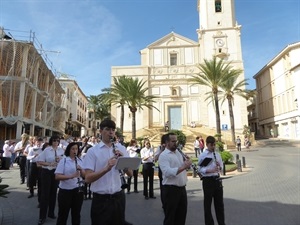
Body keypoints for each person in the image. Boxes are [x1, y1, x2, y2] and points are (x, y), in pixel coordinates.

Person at [82, 119, 133, 225]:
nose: (111, 132)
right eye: (107, 129)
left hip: (118, 198)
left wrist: (123, 162)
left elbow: (130, 173)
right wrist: (106, 168)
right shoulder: (93, 151)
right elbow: (87, 178)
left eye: (113, 130)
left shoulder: (121, 148)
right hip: (101, 201)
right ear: (100, 131)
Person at [158, 132, 192, 225]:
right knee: (170, 219)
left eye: (176, 141)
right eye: (173, 141)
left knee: (181, 218)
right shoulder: (163, 155)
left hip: (182, 189)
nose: (175, 143)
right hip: (170, 190)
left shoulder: (178, 153)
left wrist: (188, 164)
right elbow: (168, 172)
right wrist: (183, 167)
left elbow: (183, 168)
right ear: (167, 142)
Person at [55, 142, 85, 225]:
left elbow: (85, 175)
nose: (75, 151)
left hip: (78, 191)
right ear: (69, 150)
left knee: (76, 215)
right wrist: (71, 176)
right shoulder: (64, 160)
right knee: (63, 215)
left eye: (76, 149)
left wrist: (81, 170)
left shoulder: (80, 160)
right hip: (65, 191)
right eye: (73, 149)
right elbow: (57, 176)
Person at [37, 135, 64, 225]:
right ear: (51, 141)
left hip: (56, 173)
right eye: (54, 140)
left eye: (57, 140)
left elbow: (64, 161)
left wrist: (60, 160)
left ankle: (51, 213)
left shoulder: (61, 150)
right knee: (45, 195)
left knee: (53, 193)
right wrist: (49, 163)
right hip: (47, 172)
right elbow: (39, 161)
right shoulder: (47, 150)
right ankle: (42, 217)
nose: (56, 142)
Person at [198, 136, 226, 225]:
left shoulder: (217, 154)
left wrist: (219, 167)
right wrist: (208, 170)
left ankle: (221, 223)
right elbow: (199, 169)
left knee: (220, 205)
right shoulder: (203, 155)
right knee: (208, 204)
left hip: (217, 180)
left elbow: (221, 167)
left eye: (214, 145)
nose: (213, 147)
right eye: (211, 145)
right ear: (207, 145)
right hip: (207, 181)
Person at [154, 134, 168, 211]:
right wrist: (161, 150)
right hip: (162, 169)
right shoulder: (159, 148)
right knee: (163, 187)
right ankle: (164, 204)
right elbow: (155, 158)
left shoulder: (172, 148)